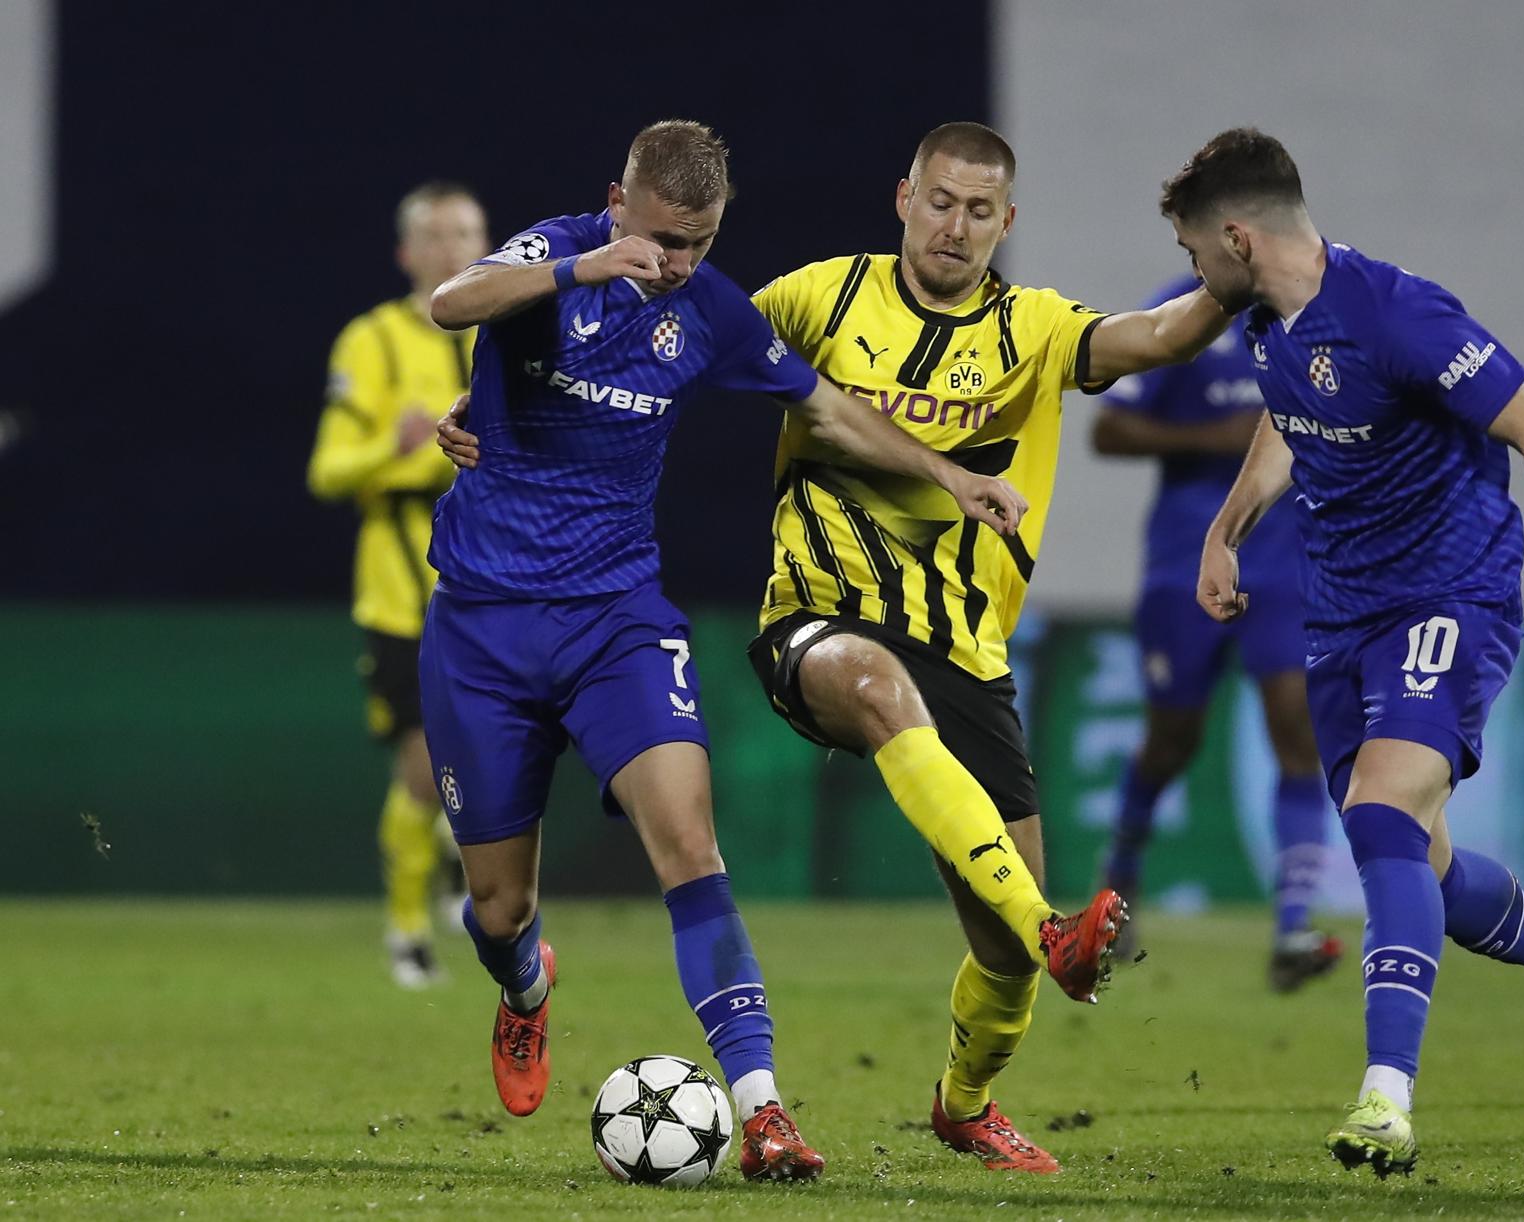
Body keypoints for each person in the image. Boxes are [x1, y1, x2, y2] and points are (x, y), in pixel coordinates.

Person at [440, 121, 1239, 1174]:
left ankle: (879, 1104)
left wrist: (1236, 275)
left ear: (1008, 222)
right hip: (698, 619)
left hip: (844, 635)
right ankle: (538, 987)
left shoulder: (1014, 327)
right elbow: (510, 316)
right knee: (513, 900)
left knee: (932, 935)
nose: (675, 265)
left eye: (980, 210)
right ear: (903, 197)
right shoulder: (792, 291)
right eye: (941, 201)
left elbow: (1148, 341)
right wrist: (519, 348)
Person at [1164, 128, 1524, 1174]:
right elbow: (1288, 414)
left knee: (1384, 813)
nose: (1193, 271)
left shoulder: (1399, 313)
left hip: (1448, 599)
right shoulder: (1268, 324)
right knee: (1416, 861)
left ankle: (1386, 1098)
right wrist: (1227, 528)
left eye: (1196, 249)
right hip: (1340, 621)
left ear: (1240, 236)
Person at [1089, 275, 1339, 992]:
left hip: (1288, 562)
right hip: (1185, 558)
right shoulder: (1182, 313)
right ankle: (1121, 878)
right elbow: (1109, 427)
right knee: (1173, 738)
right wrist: (1213, 438)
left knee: (1297, 728)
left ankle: (1294, 923)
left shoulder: (1319, 318)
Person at [307, 182, 485, 988]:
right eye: (435, 235)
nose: (451, 248)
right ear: (406, 252)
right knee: (421, 766)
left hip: (500, 588)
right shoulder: (372, 342)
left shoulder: (507, 335)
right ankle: (408, 931)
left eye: (466, 233)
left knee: (497, 756)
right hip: (402, 596)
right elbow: (328, 468)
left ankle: (459, 851)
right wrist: (401, 447)